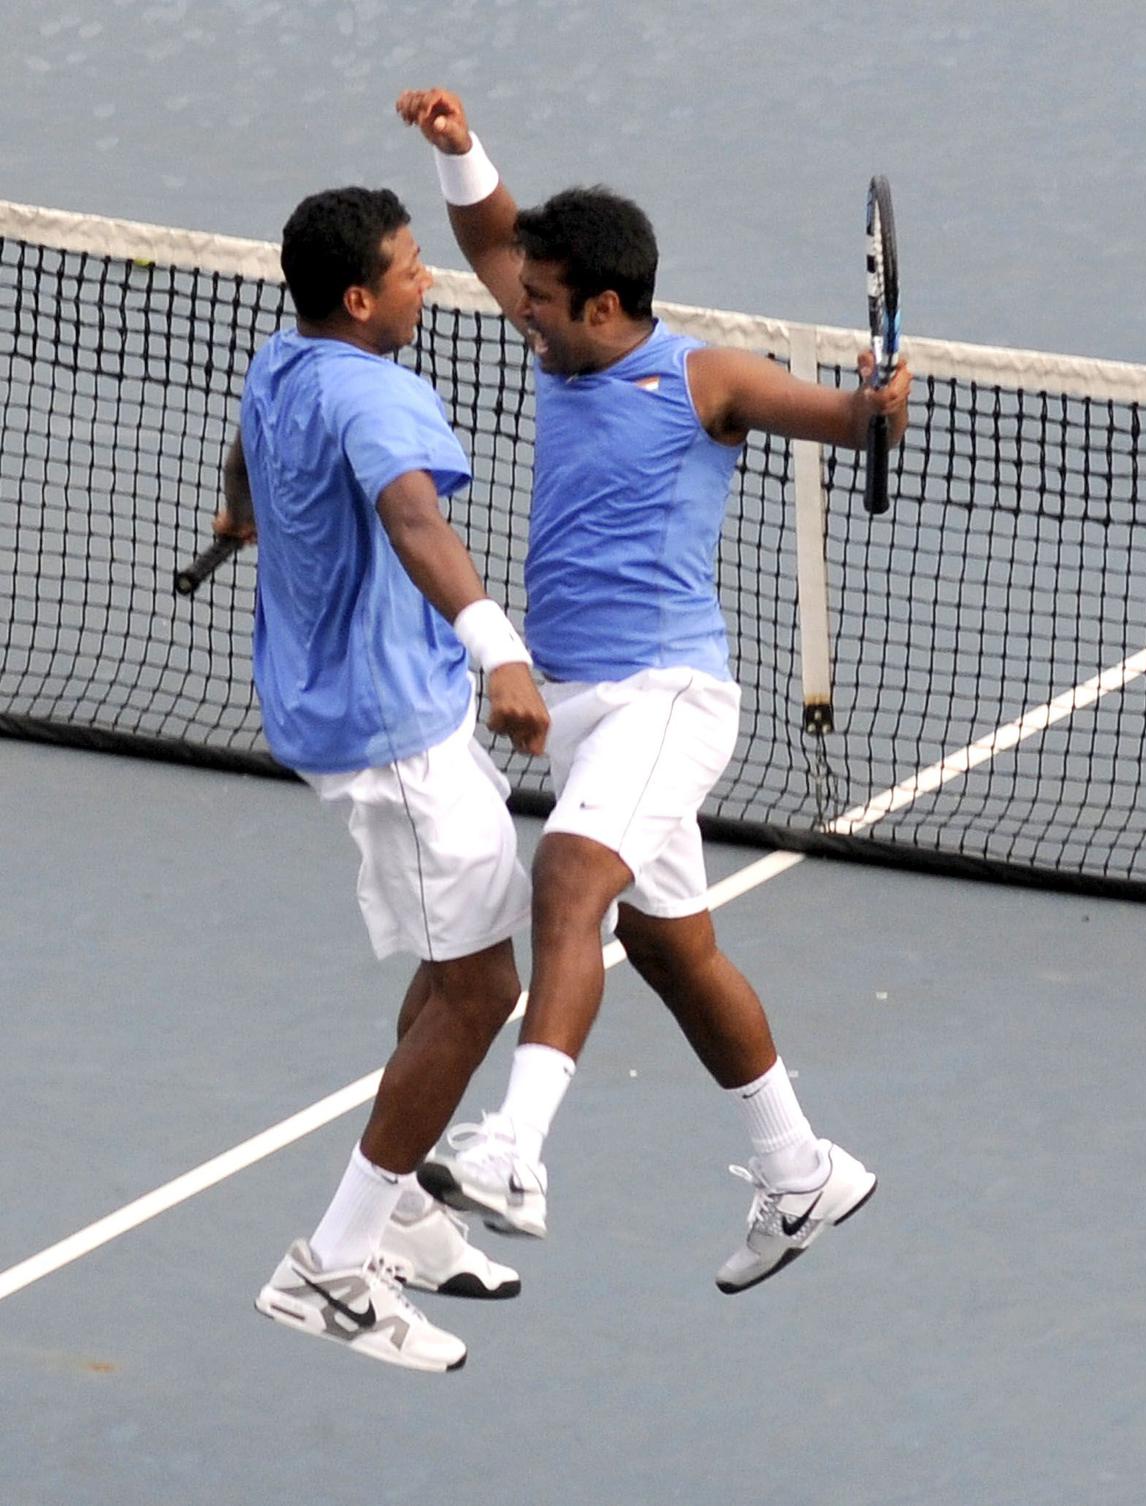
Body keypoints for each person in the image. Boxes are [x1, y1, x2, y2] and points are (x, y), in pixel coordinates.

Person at [396, 89, 912, 1294]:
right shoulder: (556, 327)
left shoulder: (703, 377)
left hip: (667, 697)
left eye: (541, 304)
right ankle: (801, 1171)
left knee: (569, 879)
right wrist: (462, 151)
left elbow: (839, 419)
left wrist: (874, 403)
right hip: (579, 707)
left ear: (608, 305)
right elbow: (489, 241)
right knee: (672, 948)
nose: (520, 316)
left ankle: (515, 1149)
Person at [214, 184, 550, 1369]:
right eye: (410, 270)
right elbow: (414, 520)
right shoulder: (377, 393)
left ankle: (400, 1198)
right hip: (389, 731)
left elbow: (248, 447)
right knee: (480, 991)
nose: (429, 281)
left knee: (455, 959)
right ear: (359, 300)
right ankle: (333, 1264)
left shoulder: (286, 361)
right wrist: (499, 652)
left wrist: (242, 506)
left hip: (366, 710)